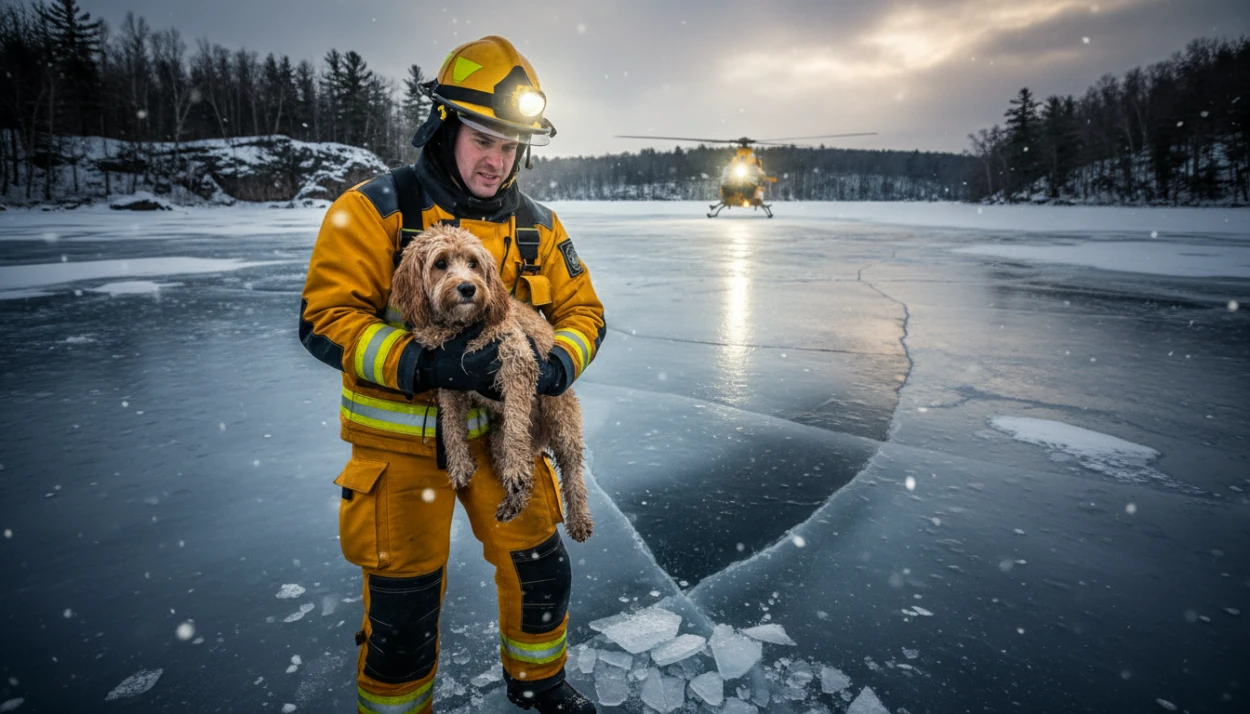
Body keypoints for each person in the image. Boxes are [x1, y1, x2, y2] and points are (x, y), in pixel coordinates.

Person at [299, 35, 604, 714]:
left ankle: (540, 688)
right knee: (402, 619)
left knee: (542, 574)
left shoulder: (539, 228)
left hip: (504, 444)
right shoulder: (373, 210)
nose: (498, 161)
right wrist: (424, 362)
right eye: (483, 139)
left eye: (511, 146)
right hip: (400, 455)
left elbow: (586, 312)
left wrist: (556, 365)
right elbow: (324, 319)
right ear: (444, 127)